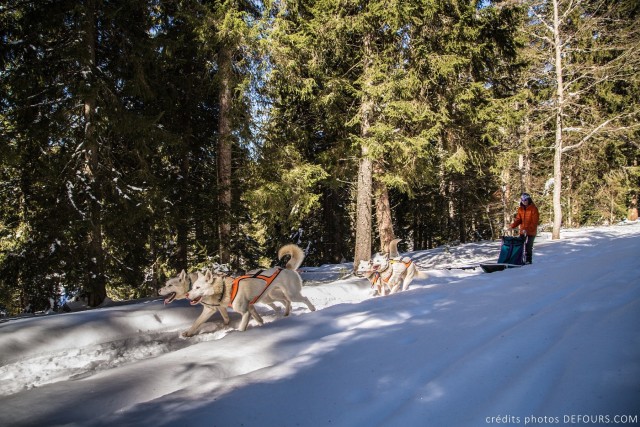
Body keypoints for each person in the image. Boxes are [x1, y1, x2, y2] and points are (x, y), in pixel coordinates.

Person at [509, 192, 540, 264]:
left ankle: (528, 261)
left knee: (528, 246)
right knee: (520, 246)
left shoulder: (534, 209)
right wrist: (512, 226)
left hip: (531, 232)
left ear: (529, 199)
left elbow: (534, 222)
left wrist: (527, 230)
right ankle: (519, 260)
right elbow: (518, 219)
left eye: (525, 200)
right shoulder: (520, 209)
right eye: (522, 200)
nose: (524, 201)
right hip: (522, 231)